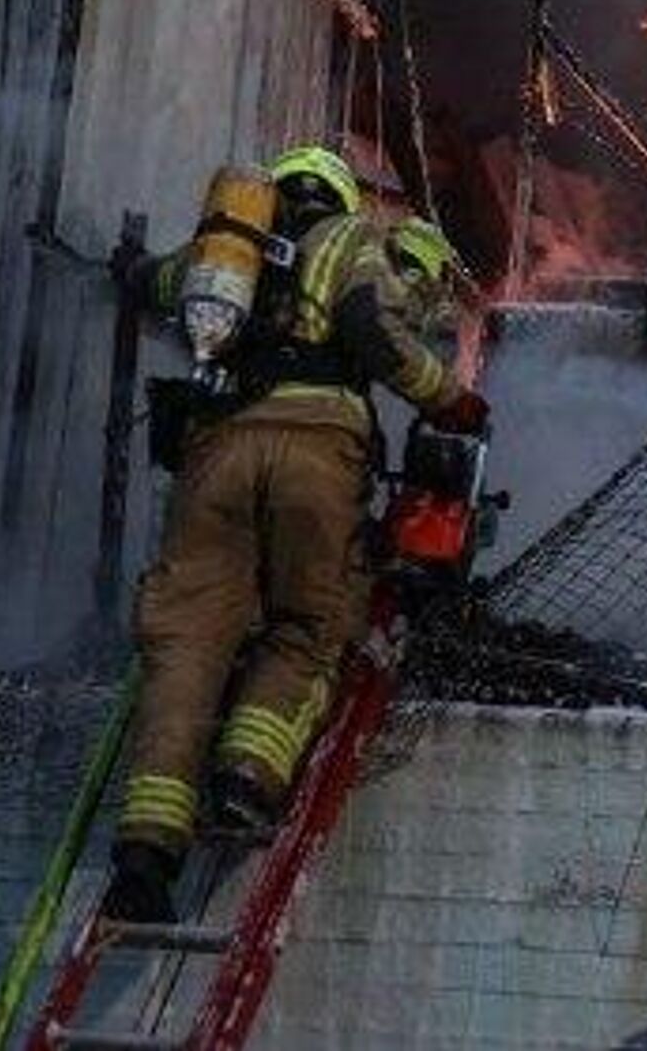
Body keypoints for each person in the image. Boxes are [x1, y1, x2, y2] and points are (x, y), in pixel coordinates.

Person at [106, 149, 486, 924]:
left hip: (217, 452)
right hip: (317, 449)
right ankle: (247, 777)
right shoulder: (351, 238)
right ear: (342, 197)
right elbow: (370, 326)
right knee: (310, 625)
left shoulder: (228, 253)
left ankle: (146, 850)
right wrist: (449, 398)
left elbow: (154, 284)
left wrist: (127, 267)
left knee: (187, 641)